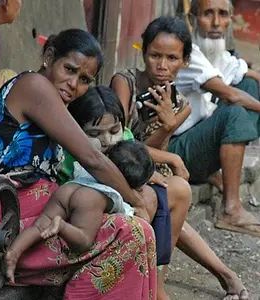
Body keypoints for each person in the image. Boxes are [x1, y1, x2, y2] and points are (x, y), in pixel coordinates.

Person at [0, 29, 157, 299]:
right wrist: (135, 202)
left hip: (33, 211)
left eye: (84, 80)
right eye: (69, 69)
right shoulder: (35, 86)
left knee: (139, 232)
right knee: (133, 232)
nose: (73, 84)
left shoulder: (54, 100)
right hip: (2, 218)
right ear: (49, 57)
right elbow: (92, 158)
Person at [111, 16, 248, 300]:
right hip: (117, 170)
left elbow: (151, 150)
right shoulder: (124, 83)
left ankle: (166, 282)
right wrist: (172, 156)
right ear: (143, 53)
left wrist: (168, 126)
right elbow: (120, 147)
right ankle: (165, 286)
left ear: (185, 61)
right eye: (155, 55)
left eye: (172, 58)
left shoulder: (181, 105)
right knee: (175, 203)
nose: (162, 65)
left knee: (173, 209)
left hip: (148, 174)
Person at [67, 85, 190, 299]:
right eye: (94, 134)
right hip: (86, 226)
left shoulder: (124, 144)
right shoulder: (70, 157)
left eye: (114, 131)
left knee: (171, 190)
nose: (107, 141)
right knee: (146, 200)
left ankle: (155, 287)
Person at [168, 0, 260, 238]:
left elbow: (247, 74)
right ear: (193, 18)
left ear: (230, 19)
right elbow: (228, 94)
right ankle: (231, 209)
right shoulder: (188, 53)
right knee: (234, 110)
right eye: (208, 14)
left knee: (249, 86)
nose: (217, 23)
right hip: (173, 151)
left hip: (194, 142)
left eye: (223, 14)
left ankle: (213, 172)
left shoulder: (218, 54)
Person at [5, 140, 155, 283]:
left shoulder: (92, 168)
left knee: (39, 226)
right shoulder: (116, 194)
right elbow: (128, 215)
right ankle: (61, 225)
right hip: (89, 199)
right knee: (83, 241)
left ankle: (14, 252)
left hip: (69, 189)